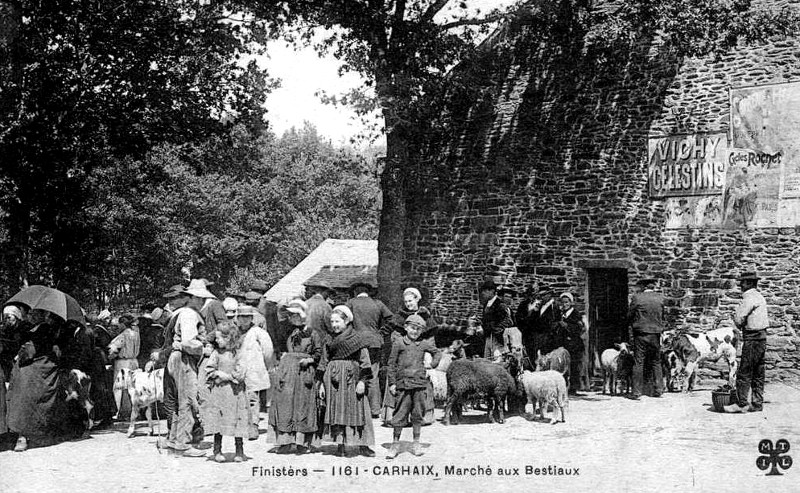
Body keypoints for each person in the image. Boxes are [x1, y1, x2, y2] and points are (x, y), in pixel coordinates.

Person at [267, 299, 326, 454]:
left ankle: (303, 443)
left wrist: (310, 359)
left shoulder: (313, 333)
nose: (292, 318)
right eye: (290, 315)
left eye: (295, 315)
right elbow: (278, 347)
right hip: (287, 370)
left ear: (303, 315)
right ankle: (285, 442)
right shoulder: (286, 331)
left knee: (303, 405)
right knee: (285, 404)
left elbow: (319, 353)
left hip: (304, 371)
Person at [161, 279, 212, 457]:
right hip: (184, 359)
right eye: (200, 298)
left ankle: (174, 439)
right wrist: (204, 349)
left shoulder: (183, 313)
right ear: (192, 298)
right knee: (188, 401)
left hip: (178, 358)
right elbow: (188, 342)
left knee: (178, 400)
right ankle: (183, 443)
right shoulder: (190, 314)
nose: (203, 302)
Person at [6, 309, 68, 451]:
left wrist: (20, 354)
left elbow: (29, 351)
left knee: (24, 401)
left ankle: (22, 437)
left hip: (36, 371)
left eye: (33, 314)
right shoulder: (47, 329)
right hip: (46, 369)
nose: (29, 317)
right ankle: (40, 435)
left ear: (40, 316)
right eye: (30, 314)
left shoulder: (41, 330)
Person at [320, 305, 376, 457]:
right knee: (338, 410)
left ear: (346, 321)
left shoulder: (357, 339)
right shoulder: (329, 339)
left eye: (337, 321)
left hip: (353, 379)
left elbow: (365, 362)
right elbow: (324, 361)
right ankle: (340, 444)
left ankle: (363, 445)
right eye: (332, 322)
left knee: (359, 410)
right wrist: (322, 385)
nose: (334, 325)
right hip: (334, 381)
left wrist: (362, 381)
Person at [385, 315, 441, 459]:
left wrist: (432, 364)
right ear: (406, 327)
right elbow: (391, 364)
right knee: (399, 414)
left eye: (418, 329)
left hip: (419, 384)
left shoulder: (423, 344)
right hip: (403, 384)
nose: (415, 331)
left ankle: (416, 443)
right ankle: (395, 443)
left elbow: (437, 352)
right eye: (412, 328)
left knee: (417, 414)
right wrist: (392, 383)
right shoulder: (399, 343)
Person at [383, 287, 436, 426]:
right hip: (404, 353)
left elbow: (430, 338)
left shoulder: (426, 315)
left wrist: (428, 358)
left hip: (419, 353)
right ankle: (395, 415)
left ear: (417, 299)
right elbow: (394, 334)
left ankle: (423, 415)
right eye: (406, 301)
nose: (408, 304)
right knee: (398, 379)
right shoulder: (400, 316)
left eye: (411, 301)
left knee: (422, 381)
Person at [201, 321, 249, 462]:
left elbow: (240, 372)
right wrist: (215, 374)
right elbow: (209, 369)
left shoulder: (238, 353)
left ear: (228, 338)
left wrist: (226, 376)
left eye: (219, 338)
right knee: (218, 421)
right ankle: (217, 450)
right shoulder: (216, 353)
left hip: (235, 392)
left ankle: (239, 451)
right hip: (220, 393)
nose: (216, 341)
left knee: (237, 420)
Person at [346, 280, 393, 417]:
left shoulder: (351, 303)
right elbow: (391, 319)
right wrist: (382, 332)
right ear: (368, 291)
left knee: (357, 372)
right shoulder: (377, 303)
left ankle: (355, 408)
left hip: (355, 342)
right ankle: (374, 410)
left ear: (355, 292)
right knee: (373, 374)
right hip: (374, 343)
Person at [724, 271, 769, 413]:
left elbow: (738, 319)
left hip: (752, 337)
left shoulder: (749, 297)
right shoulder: (759, 296)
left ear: (749, 283)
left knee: (744, 371)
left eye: (742, 282)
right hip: (761, 337)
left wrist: (735, 317)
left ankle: (741, 403)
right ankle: (757, 403)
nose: (740, 285)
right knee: (758, 372)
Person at [237, 305, 274, 440]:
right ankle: (240, 424)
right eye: (242, 317)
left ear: (252, 318)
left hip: (253, 368)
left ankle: (253, 425)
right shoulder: (234, 331)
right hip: (238, 369)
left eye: (247, 317)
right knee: (239, 397)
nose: (244, 320)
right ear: (238, 318)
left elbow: (268, 351)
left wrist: (263, 364)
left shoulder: (258, 332)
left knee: (252, 397)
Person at [628, 278, 666, 400]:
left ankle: (636, 392)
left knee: (639, 362)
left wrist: (631, 324)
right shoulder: (660, 298)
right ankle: (659, 389)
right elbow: (663, 315)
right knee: (656, 361)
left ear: (644, 287)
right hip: (655, 334)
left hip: (641, 334)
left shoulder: (637, 298)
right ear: (653, 286)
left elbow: (630, 315)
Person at [0, 304, 28, 436]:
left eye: (9, 317)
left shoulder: (24, 330)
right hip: (6, 363)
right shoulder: (4, 330)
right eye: (5, 317)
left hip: (20, 363)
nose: (7, 320)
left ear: (17, 317)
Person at [108, 314, 141, 419]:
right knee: (134, 386)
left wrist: (110, 357)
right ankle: (135, 410)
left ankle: (123, 412)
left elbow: (114, 349)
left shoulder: (122, 336)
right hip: (134, 361)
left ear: (123, 324)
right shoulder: (136, 334)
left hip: (123, 362)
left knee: (120, 387)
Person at [472, 279, 514, 359]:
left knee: (498, 360)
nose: (482, 294)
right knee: (487, 361)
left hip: (498, 339)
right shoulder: (486, 305)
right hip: (488, 338)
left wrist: (495, 329)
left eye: (485, 291)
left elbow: (508, 321)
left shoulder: (500, 305)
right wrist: (481, 323)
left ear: (492, 291)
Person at [553, 293, 585, 393]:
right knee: (563, 365)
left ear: (571, 303)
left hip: (574, 344)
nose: (564, 304)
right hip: (563, 343)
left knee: (574, 365)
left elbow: (579, 328)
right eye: (562, 302)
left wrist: (567, 326)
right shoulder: (560, 313)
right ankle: (563, 386)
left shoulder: (576, 314)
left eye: (566, 302)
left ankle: (574, 387)